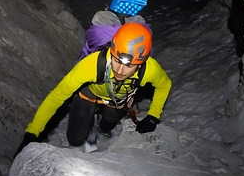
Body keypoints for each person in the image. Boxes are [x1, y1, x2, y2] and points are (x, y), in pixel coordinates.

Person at [14, 22, 172, 157]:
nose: (120, 71)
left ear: (141, 63)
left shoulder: (149, 69)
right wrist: (32, 132)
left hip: (116, 99)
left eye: (129, 66)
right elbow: (56, 97)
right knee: (75, 139)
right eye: (117, 60)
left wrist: (153, 116)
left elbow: (164, 85)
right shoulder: (92, 65)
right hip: (88, 95)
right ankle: (90, 119)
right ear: (112, 50)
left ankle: (103, 126)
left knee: (108, 124)